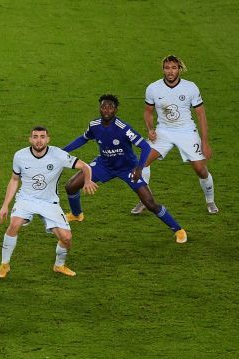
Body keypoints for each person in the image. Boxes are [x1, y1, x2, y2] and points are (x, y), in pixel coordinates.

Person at [64, 95, 187, 243]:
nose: (106, 110)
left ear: (116, 110)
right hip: (104, 164)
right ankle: (77, 214)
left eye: (110, 107)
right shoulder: (94, 125)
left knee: (149, 203)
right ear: (100, 108)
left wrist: (139, 169)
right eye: (103, 106)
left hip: (128, 168)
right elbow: (83, 138)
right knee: (71, 186)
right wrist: (62, 151)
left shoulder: (123, 128)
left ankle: (178, 229)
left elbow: (145, 147)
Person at [0, 126, 97, 280]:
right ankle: (4, 264)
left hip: (49, 202)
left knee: (66, 238)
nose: (39, 140)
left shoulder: (58, 154)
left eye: (42, 137)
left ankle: (59, 265)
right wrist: (5, 205)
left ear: (48, 139)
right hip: (26, 199)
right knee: (14, 224)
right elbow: (14, 180)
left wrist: (88, 180)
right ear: (30, 139)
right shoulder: (20, 156)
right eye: (35, 137)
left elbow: (85, 166)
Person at [131, 55, 217, 215]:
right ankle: (145, 200)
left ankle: (210, 200)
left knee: (200, 169)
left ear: (179, 69)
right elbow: (148, 112)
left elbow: (201, 116)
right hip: (163, 131)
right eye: (167, 68)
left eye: (173, 68)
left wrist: (205, 142)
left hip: (187, 131)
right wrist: (150, 129)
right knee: (142, 163)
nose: (170, 71)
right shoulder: (153, 88)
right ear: (163, 69)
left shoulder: (191, 87)